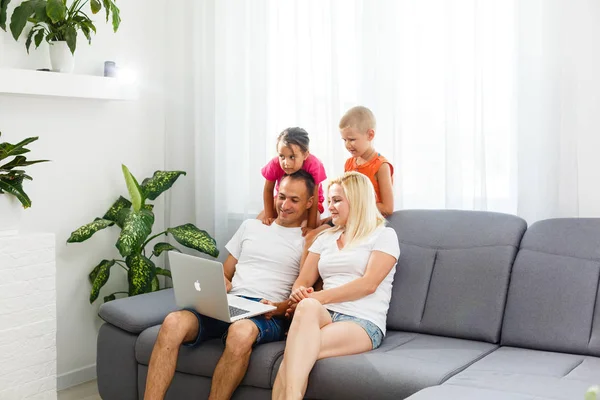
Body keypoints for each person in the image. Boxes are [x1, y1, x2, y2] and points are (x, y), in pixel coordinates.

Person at [144, 170, 315, 400]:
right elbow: (226, 272)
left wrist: (277, 307)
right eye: (282, 196)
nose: (284, 204)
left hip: (266, 312)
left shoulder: (309, 240)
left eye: (294, 200)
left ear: (309, 203)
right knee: (173, 322)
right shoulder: (250, 227)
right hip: (229, 301)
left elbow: (299, 294)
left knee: (240, 332)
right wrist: (220, 283)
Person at [272, 171, 400, 400]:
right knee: (307, 309)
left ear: (358, 201)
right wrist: (300, 293)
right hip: (321, 315)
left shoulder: (383, 235)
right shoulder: (325, 238)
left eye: (337, 200)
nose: (330, 207)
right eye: (329, 201)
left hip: (361, 320)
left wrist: (316, 298)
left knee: (294, 354)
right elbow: (303, 280)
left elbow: (368, 285)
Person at [258, 127, 327, 232]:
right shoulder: (275, 164)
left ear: (305, 155)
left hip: (311, 201)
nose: (286, 163)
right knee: (260, 221)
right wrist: (269, 217)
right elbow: (268, 190)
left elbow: (315, 196)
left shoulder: (314, 165)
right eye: (282, 156)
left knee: (309, 227)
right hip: (283, 197)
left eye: (292, 157)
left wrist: (311, 227)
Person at [340, 106, 394, 216]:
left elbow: (388, 208)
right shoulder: (349, 163)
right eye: (344, 140)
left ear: (370, 135)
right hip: (353, 220)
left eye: (352, 139)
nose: (347, 145)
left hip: (372, 223)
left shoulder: (381, 166)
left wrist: (357, 204)